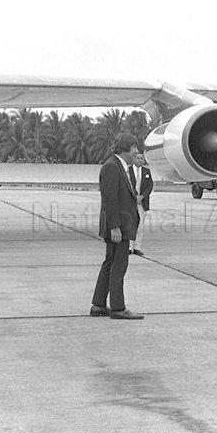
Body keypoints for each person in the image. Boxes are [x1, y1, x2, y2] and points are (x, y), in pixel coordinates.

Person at [90, 133, 144, 320]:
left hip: (121, 225)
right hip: (117, 227)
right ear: (127, 148)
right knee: (118, 266)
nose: (137, 151)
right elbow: (110, 200)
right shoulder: (112, 167)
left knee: (110, 264)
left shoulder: (121, 166)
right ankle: (118, 308)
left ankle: (98, 305)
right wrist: (114, 227)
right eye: (135, 147)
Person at [129, 151, 153, 257]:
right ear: (133, 159)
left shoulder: (146, 171)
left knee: (140, 226)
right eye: (138, 158)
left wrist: (142, 196)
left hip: (142, 202)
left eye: (142, 158)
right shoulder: (128, 171)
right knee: (130, 225)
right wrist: (135, 197)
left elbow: (150, 186)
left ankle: (137, 248)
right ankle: (129, 247)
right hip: (130, 202)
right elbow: (127, 185)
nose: (140, 160)